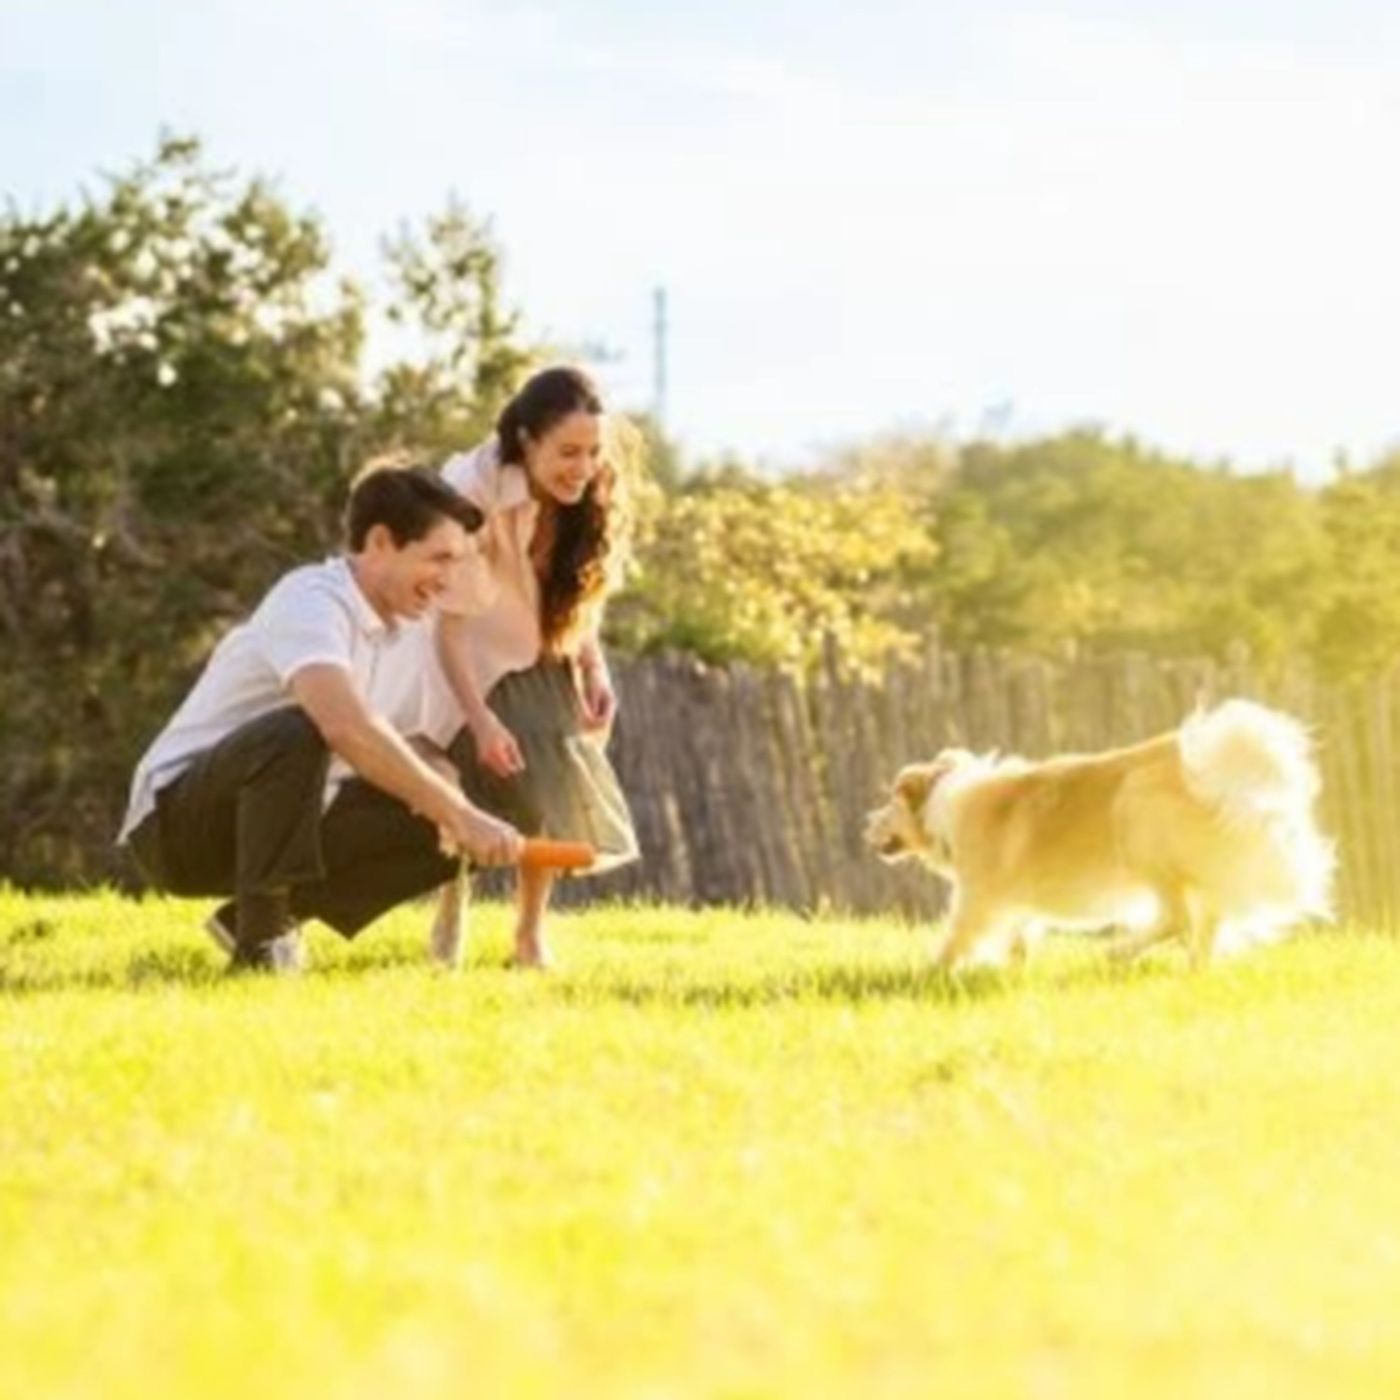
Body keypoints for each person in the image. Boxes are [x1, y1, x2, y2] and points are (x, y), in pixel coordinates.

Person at [118, 463, 524, 974]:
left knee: (440, 828)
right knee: (303, 727)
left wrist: (453, 802)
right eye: (438, 558)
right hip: (177, 827)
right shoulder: (309, 599)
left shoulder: (404, 633)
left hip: (285, 822)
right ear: (380, 543)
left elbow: (404, 746)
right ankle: (261, 950)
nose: (447, 580)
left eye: (457, 562)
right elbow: (344, 726)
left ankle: (254, 915)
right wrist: (456, 811)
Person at [423, 365, 640, 968]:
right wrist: (479, 717)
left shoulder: (589, 494)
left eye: (594, 451)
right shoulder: (473, 496)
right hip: (473, 657)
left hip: (546, 651)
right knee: (467, 785)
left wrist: (595, 669)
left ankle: (529, 935)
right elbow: (449, 628)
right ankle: (452, 897)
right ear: (526, 441)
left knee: (550, 785)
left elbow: (578, 596)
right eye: (568, 451)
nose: (583, 466)